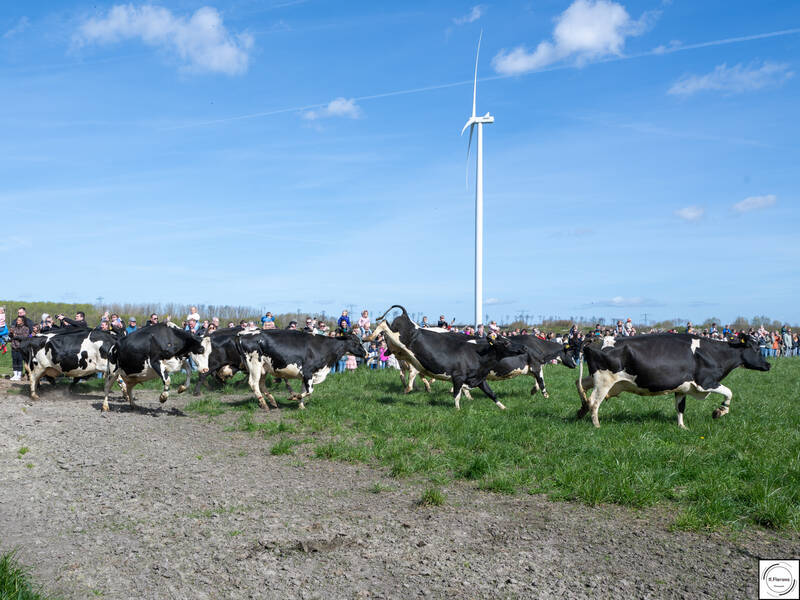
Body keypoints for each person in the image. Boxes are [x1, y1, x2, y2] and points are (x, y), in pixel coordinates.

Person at [9, 315, 30, 381]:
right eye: (17, 320)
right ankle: (15, 375)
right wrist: (11, 333)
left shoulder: (26, 328)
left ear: (22, 321)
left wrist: (16, 336)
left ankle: (19, 375)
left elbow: (24, 337)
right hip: (13, 346)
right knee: (14, 361)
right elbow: (10, 336)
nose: (17, 321)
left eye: (18, 320)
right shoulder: (14, 328)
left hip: (21, 347)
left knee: (20, 361)